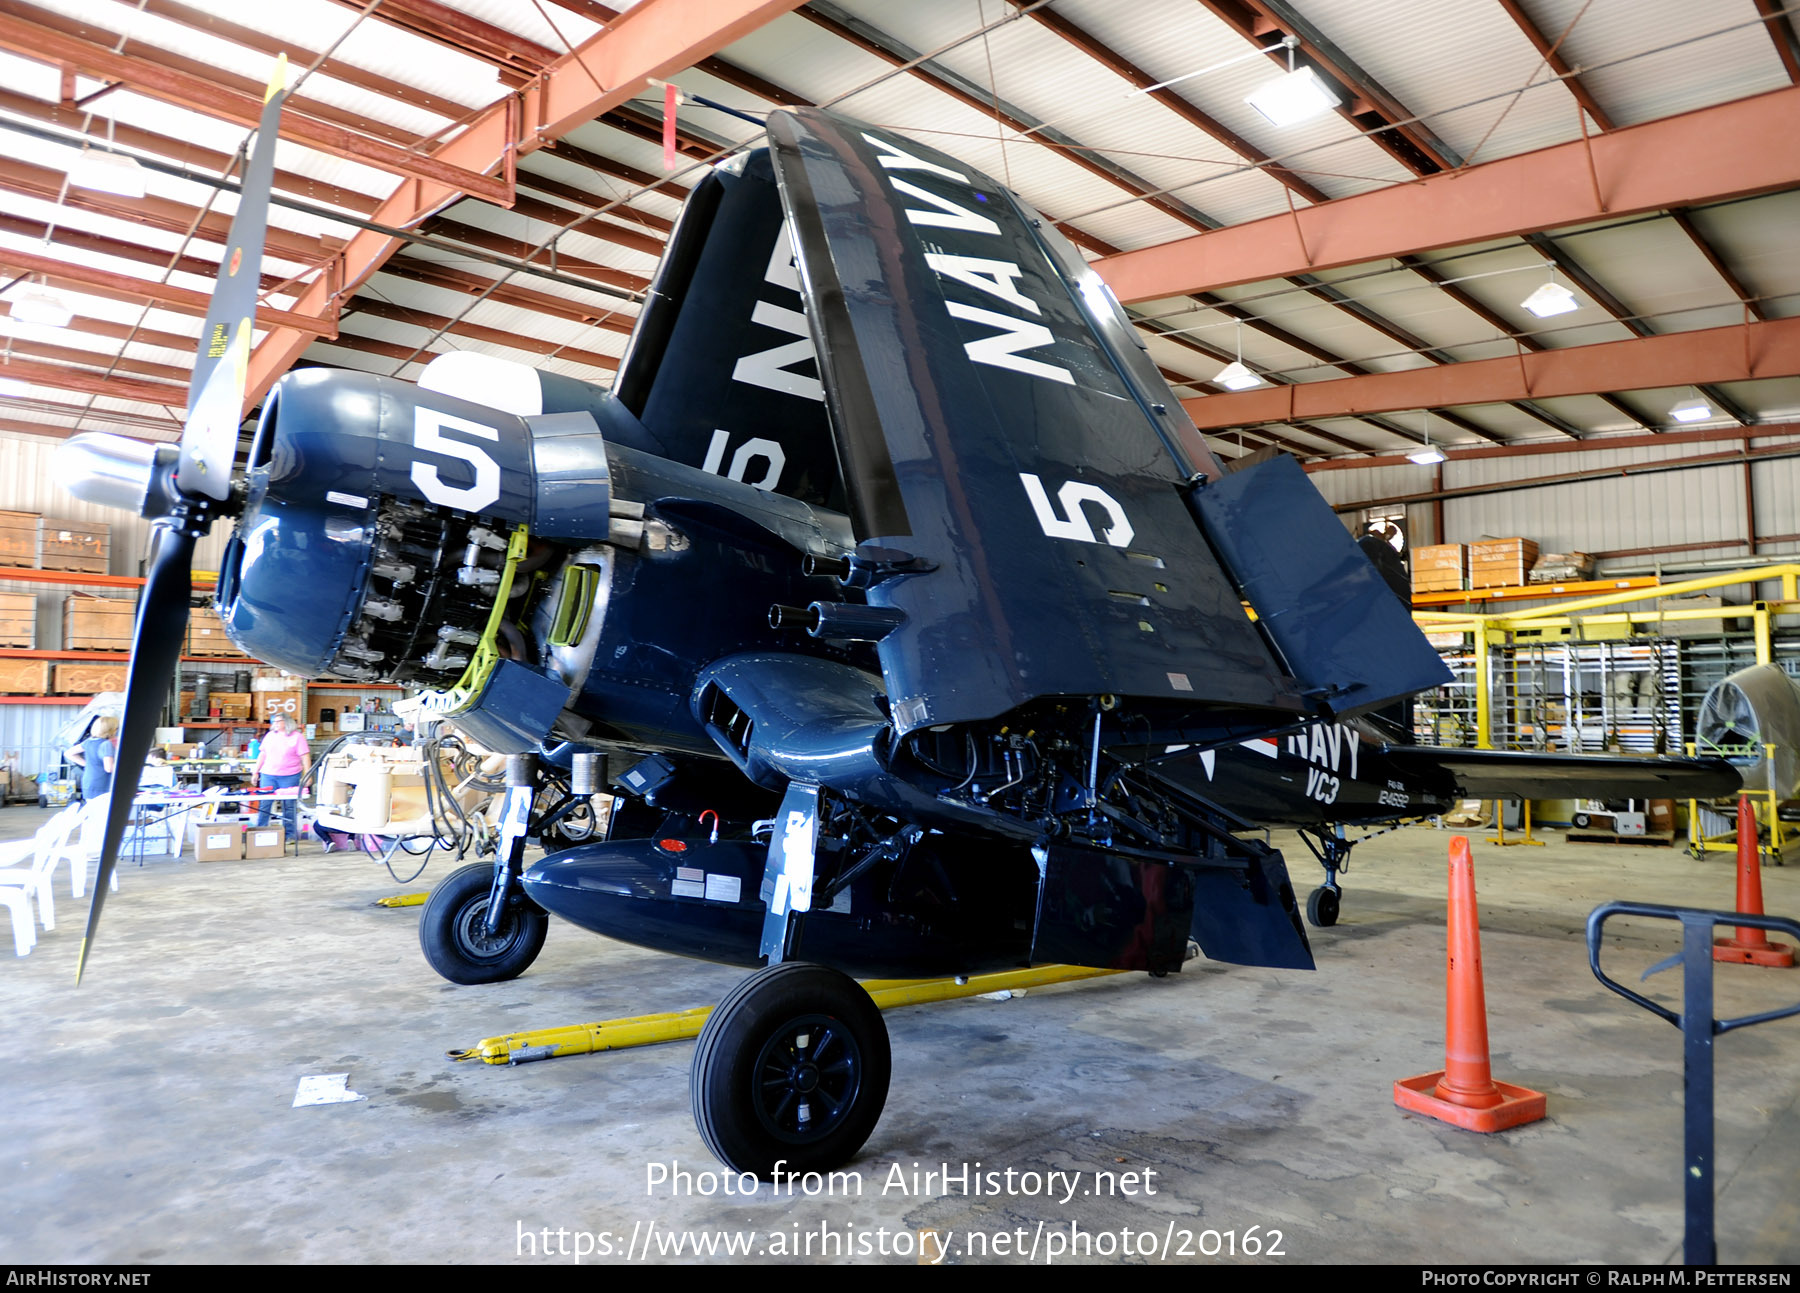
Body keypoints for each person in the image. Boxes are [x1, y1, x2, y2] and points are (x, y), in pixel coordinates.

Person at [252, 714, 311, 843]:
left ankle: (289, 835)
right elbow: (263, 754)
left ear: (287, 722)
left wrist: (308, 775)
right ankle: (260, 832)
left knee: (289, 805)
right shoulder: (270, 736)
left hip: (290, 775)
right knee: (265, 804)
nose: (275, 723)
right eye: (274, 721)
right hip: (268, 774)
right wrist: (255, 772)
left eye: (279, 721)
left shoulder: (298, 737)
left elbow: (305, 756)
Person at [67, 715, 118, 804]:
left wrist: (87, 764)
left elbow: (68, 753)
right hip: (102, 784)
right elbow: (109, 768)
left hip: (89, 783)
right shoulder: (106, 744)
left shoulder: (89, 742)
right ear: (111, 729)